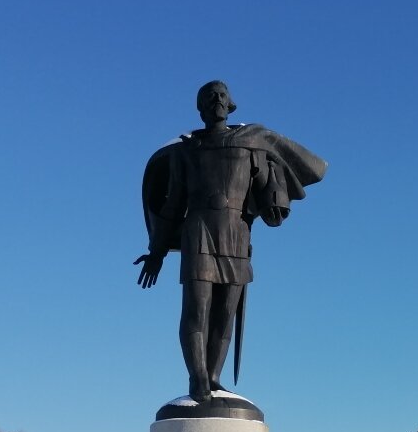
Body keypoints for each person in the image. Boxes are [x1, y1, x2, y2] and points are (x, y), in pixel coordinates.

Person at [136, 81, 326, 403]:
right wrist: (157, 252)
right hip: (198, 232)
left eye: (222, 95)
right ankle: (198, 380)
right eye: (209, 97)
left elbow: (271, 205)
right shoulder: (186, 151)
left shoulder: (252, 145)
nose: (216, 101)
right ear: (200, 108)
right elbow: (172, 205)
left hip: (236, 234)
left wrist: (275, 191)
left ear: (231, 104)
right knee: (197, 310)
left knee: (225, 313)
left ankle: (213, 376)